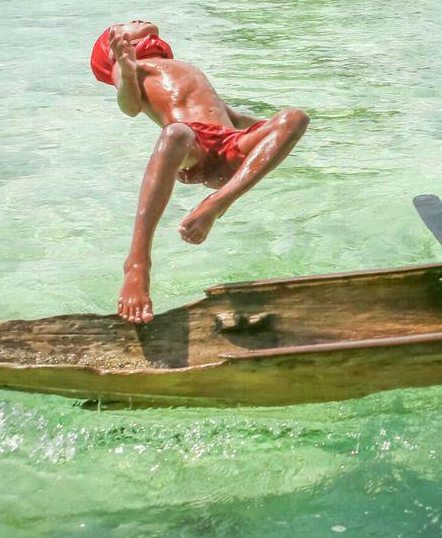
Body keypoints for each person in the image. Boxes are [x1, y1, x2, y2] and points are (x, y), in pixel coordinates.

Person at [91, 21, 309, 324]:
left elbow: (234, 117)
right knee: (175, 133)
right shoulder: (130, 63)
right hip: (193, 146)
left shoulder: (183, 68)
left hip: (230, 142)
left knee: (295, 118)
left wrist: (274, 134)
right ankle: (137, 265)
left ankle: (216, 204)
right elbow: (129, 106)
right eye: (128, 23)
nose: (138, 21)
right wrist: (126, 70)